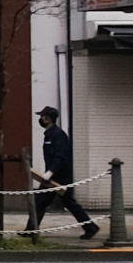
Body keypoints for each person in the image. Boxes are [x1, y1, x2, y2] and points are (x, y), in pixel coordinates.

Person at [24, 103, 99, 242]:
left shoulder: (58, 135)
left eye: (43, 117)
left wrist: (50, 172)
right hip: (53, 176)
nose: (41, 119)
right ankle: (30, 230)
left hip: (60, 177)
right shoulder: (50, 134)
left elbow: (61, 156)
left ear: (48, 119)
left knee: (66, 203)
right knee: (41, 202)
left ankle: (90, 227)